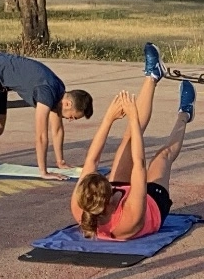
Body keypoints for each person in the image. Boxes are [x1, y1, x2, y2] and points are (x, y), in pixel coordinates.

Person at [71, 45, 194, 241]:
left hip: (113, 202)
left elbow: (91, 159)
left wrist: (108, 119)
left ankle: (153, 75)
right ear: (110, 199)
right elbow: (139, 163)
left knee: (127, 140)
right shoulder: (128, 220)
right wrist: (133, 118)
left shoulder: (81, 204)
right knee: (162, 157)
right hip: (152, 205)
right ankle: (185, 113)